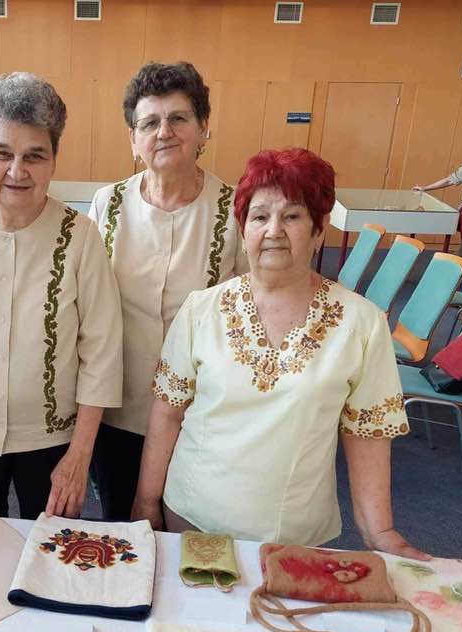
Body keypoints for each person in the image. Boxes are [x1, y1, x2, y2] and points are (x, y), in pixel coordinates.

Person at [131, 148, 428, 560]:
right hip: (192, 517)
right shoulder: (202, 309)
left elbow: (367, 436)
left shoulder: (361, 323)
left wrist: (381, 532)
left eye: (292, 216)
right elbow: (167, 414)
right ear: (243, 230)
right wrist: (146, 502)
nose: (273, 230)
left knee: (282, 604)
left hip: (293, 533)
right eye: (259, 217)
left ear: (319, 229)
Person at [0, 72, 122, 520]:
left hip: (53, 440)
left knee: (50, 550)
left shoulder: (81, 236)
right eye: (1, 153)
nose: (17, 171)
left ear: (54, 160)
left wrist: (80, 454)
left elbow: (102, 353)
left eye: (35, 155)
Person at [87, 61, 247, 521]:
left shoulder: (234, 209)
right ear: (133, 138)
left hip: (201, 412)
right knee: (121, 526)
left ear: (203, 128)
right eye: (150, 123)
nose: (164, 132)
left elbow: (254, 305)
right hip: (118, 406)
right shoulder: (107, 204)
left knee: (193, 532)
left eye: (178, 118)